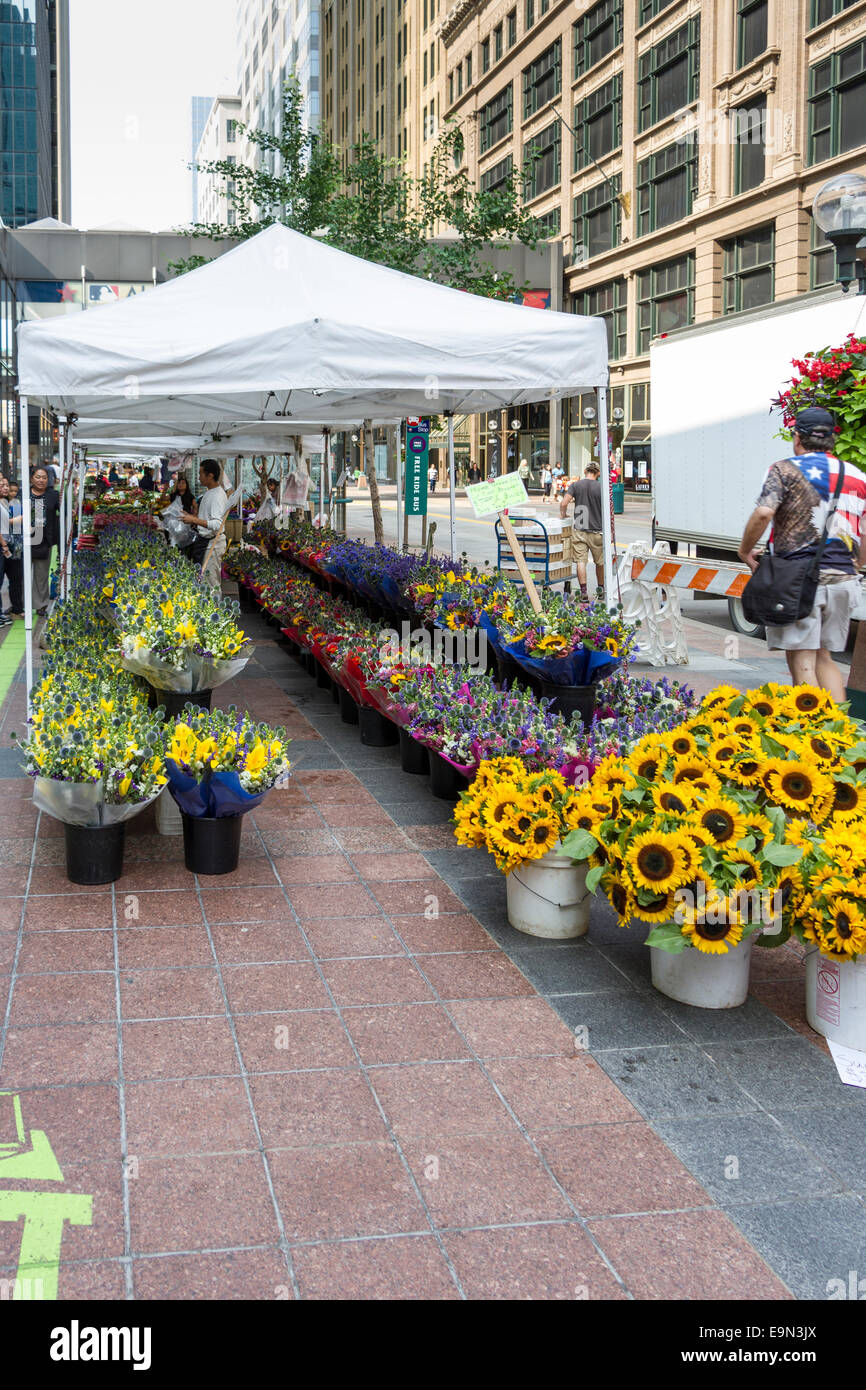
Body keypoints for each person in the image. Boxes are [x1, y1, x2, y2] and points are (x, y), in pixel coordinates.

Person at [738, 406, 866, 704]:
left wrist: (745, 550)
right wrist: (857, 565)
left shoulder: (784, 470)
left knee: (802, 656)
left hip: (798, 578)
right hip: (844, 579)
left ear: (798, 438)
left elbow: (764, 513)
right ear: (832, 439)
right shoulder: (858, 476)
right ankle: (838, 732)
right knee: (826, 657)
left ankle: (810, 731)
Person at [179, 459, 229, 588]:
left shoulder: (217, 495)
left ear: (210, 475)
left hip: (212, 544)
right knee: (204, 581)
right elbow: (207, 517)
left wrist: (194, 520)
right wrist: (191, 517)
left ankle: (215, 607)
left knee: (211, 582)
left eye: (200, 473)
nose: (198, 477)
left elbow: (217, 525)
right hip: (204, 542)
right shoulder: (209, 492)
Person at [560, 461, 604, 601]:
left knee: (580, 561)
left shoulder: (576, 485)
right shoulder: (601, 487)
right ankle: (601, 590)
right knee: (600, 562)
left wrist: (563, 514)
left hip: (580, 528)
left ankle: (584, 592)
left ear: (585, 471)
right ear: (598, 473)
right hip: (597, 530)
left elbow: (564, 503)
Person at [29, 466, 59, 616]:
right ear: (31, 478)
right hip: (24, 540)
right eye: (38, 477)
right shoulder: (23, 494)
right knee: (22, 575)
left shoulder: (53, 495)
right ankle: (22, 604)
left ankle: (41, 605)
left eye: (44, 478)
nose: (41, 480)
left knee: (41, 575)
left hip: (44, 539)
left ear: (48, 480)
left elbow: (63, 511)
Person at [0, 475, 23, 622]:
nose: (8, 489)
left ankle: (17, 608)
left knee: (16, 578)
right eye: (3, 485)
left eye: (8, 485)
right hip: (5, 545)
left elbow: (36, 522)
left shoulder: (18, 502)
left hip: (15, 545)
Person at [163, 475, 198, 553]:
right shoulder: (173, 495)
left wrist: (194, 518)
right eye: (179, 483)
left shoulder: (190, 496)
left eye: (183, 483)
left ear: (186, 485)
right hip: (173, 521)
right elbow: (163, 499)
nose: (180, 485)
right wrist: (164, 490)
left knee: (184, 541)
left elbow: (195, 507)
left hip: (186, 521)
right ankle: (174, 552)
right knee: (172, 539)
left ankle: (183, 553)